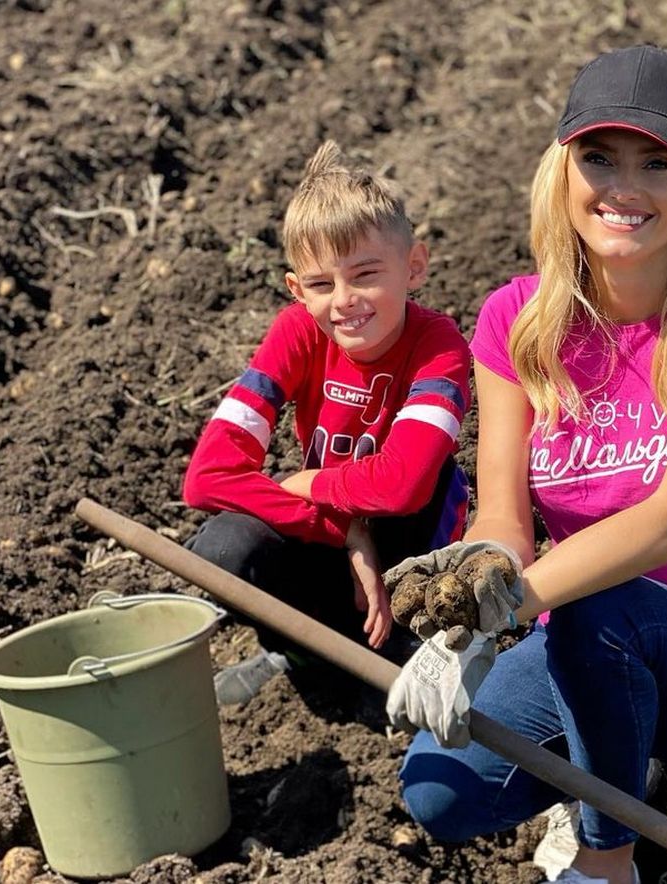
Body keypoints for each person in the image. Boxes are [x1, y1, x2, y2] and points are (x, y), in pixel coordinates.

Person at [383, 45, 667, 884]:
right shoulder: (517, 320)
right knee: (441, 795)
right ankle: (620, 762)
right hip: (581, 643)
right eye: (599, 158)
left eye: (657, 164)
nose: (624, 188)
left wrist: (503, 614)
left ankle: (605, 858)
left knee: (600, 599)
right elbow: (504, 519)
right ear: (563, 172)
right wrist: (469, 600)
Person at [182, 141, 471, 705]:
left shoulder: (438, 345)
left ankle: (407, 648)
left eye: (365, 274)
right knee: (221, 548)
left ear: (414, 266)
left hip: (414, 544)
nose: (344, 301)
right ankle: (299, 652)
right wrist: (343, 530)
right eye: (321, 285)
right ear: (297, 290)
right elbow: (207, 478)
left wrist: (308, 482)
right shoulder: (297, 332)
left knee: (423, 501)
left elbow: (401, 487)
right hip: (331, 522)